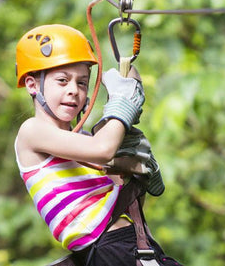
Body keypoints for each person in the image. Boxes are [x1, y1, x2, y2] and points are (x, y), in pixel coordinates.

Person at [14, 24, 180, 266]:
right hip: (111, 249)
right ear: (32, 84)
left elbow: (119, 200)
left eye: (82, 83)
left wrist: (136, 167)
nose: (73, 90)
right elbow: (104, 150)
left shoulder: (83, 143)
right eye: (62, 80)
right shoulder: (32, 131)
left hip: (129, 244)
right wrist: (123, 102)